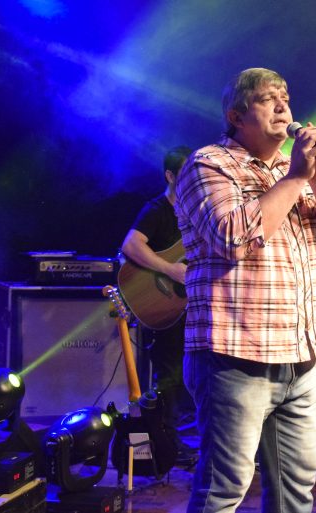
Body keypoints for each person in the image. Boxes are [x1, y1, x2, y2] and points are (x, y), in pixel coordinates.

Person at [175, 68, 316, 513]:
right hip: (235, 358)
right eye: (267, 99)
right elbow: (231, 237)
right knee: (224, 488)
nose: (283, 106)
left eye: (286, 97)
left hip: (301, 358)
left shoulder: (294, 171)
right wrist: (297, 178)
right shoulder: (209, 164)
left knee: (296, 490)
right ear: (236, 116)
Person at [120, 145, 196, 465]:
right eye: (188, 173)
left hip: (193, 307)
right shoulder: (157, 209)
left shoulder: (200, 213)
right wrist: (169, 269)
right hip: (164, 305)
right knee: (170, 373)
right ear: (170, 176)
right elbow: (130, 245)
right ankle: (168, 444)